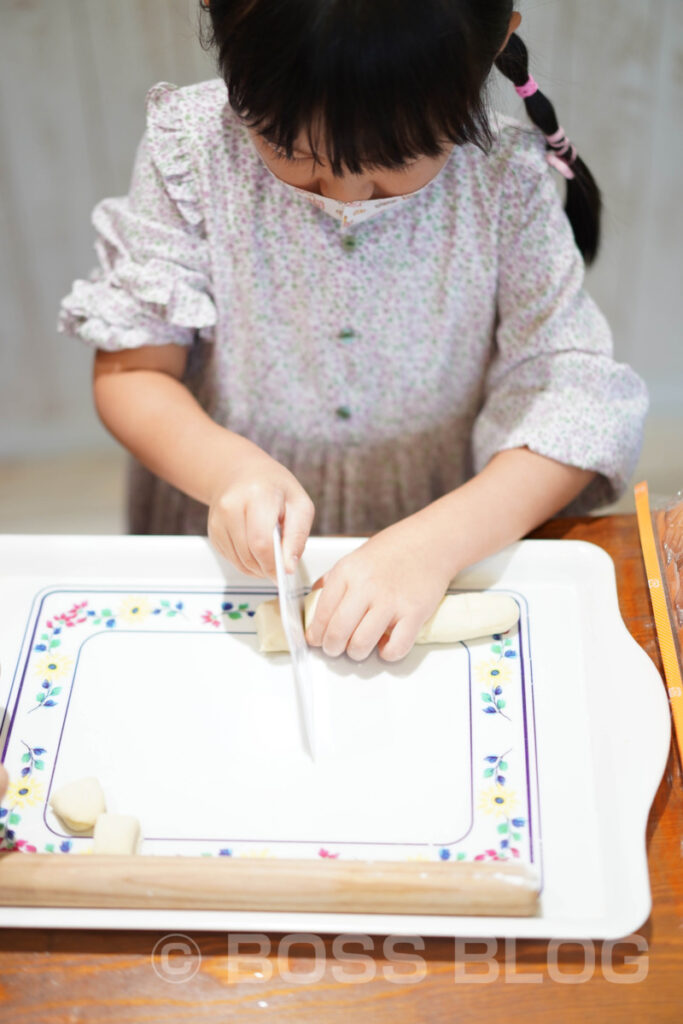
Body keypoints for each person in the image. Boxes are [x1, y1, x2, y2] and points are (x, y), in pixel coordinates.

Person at [59, 0, 647, 662]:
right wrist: (226, 472)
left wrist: (437, 542)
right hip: (229, 528)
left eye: (393, 159)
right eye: (290, 150)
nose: (342, 196)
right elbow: (135, 372)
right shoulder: (191, 151)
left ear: (488, 49)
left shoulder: (504, 181)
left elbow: (573, 399)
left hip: (434, 513)